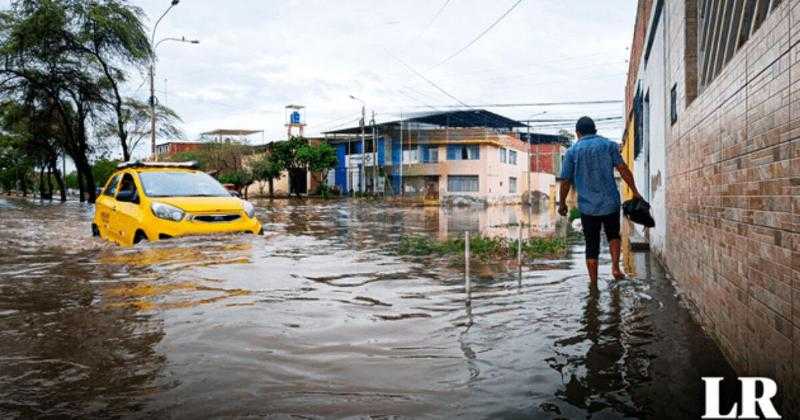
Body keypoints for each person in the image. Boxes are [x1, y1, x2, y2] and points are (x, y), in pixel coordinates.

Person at [557, 116, 641, 282]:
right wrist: (635, 192)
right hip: (610, 203)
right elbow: (623, 169)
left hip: (588, 207)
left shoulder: (572, 152)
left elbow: (565, 181)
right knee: (613, 235)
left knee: (591, 244)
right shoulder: (609, 145)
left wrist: (562, 203)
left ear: (577, 133)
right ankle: (616, 268)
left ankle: (593, 282)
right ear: (595, 130)